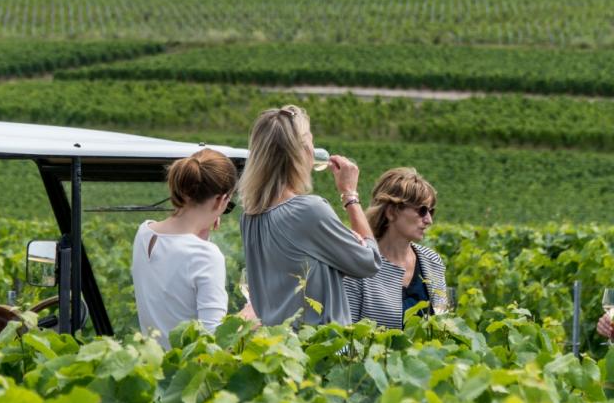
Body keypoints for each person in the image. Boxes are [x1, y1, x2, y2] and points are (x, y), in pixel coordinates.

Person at [239, 105, 381, 326]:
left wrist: (334, 258)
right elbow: (369, 262)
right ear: (303, 151)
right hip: (319, 350)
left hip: (278, 350)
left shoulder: (249, 217)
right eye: (311, 141)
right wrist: (349, 194)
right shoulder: (308, 211)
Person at [132, 148, 237, 348]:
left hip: (153, 367)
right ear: (221, 200)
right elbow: (213, 339)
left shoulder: (144, 234)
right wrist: (248, 318)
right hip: (189, 373)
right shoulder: (206, 255)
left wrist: (201, 236)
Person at [343, 167, 447, 329]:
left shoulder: (432, 261)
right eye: (422, 210)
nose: (428, 220)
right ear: (391, 212)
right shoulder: (358, 267)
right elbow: (345, 339)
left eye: (431, 212)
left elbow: (443, 326)